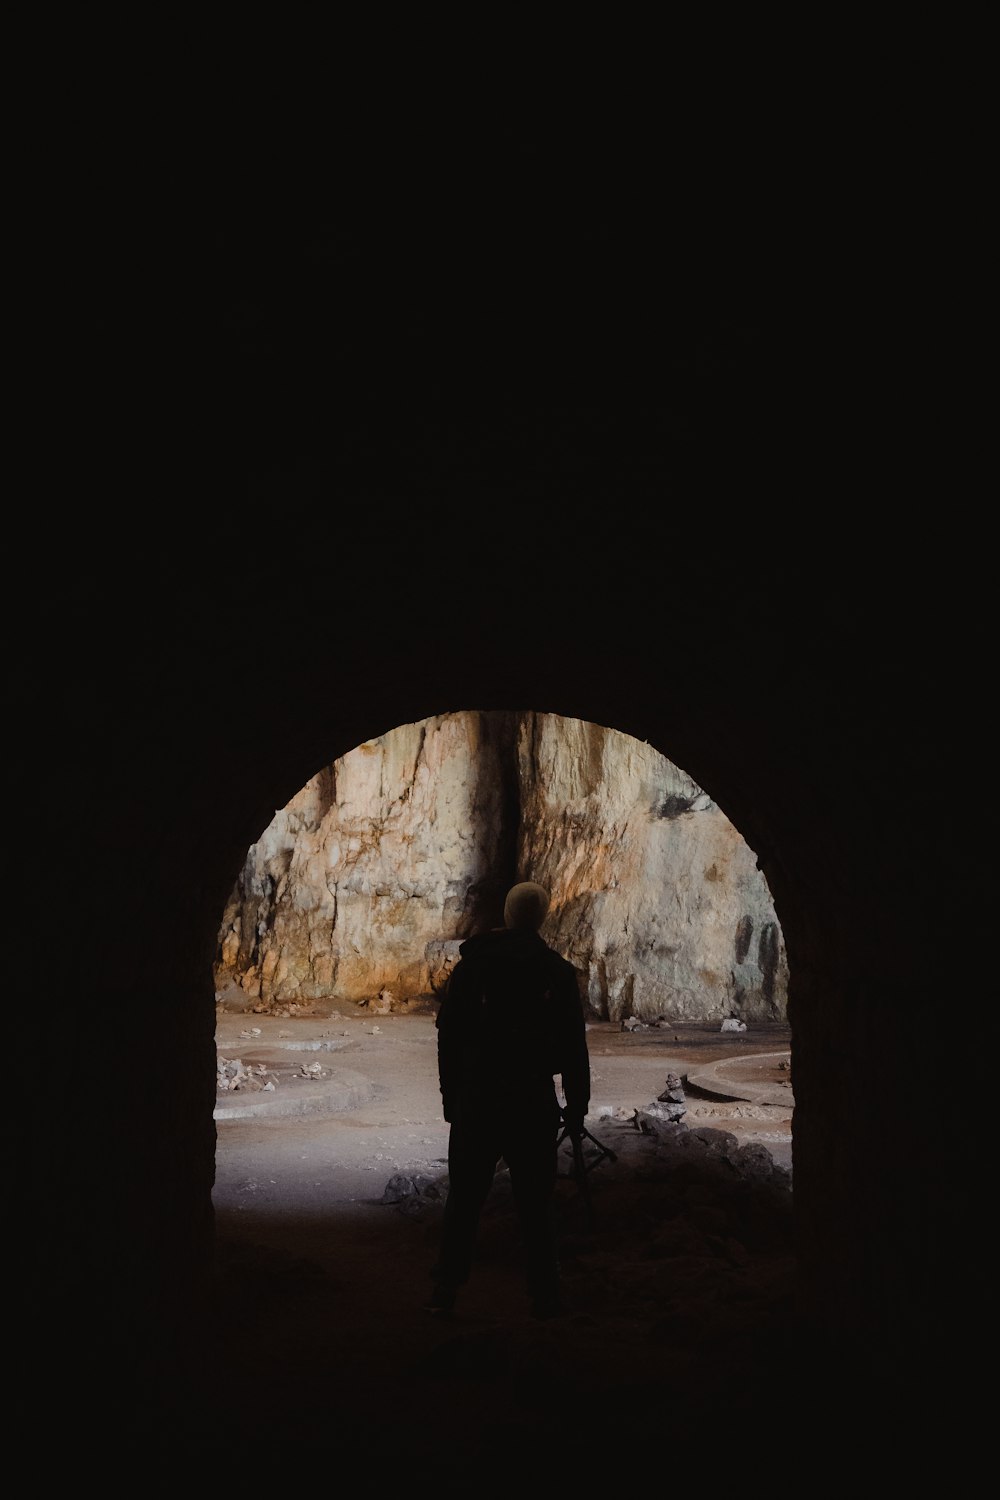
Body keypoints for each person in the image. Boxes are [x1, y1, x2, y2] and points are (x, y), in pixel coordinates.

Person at [426, 880, 591, 1319]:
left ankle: (446, 1288)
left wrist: (450, 1097)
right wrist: (576, 1107)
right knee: (536, 1203)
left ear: (506, 914)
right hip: (531, 1099)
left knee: (464, 1197)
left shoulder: (474, 966)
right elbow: (574, 1047)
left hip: (478, 1097)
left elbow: (450, 1036)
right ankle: (545, 1294)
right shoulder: (555, 971)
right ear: (542, 918)